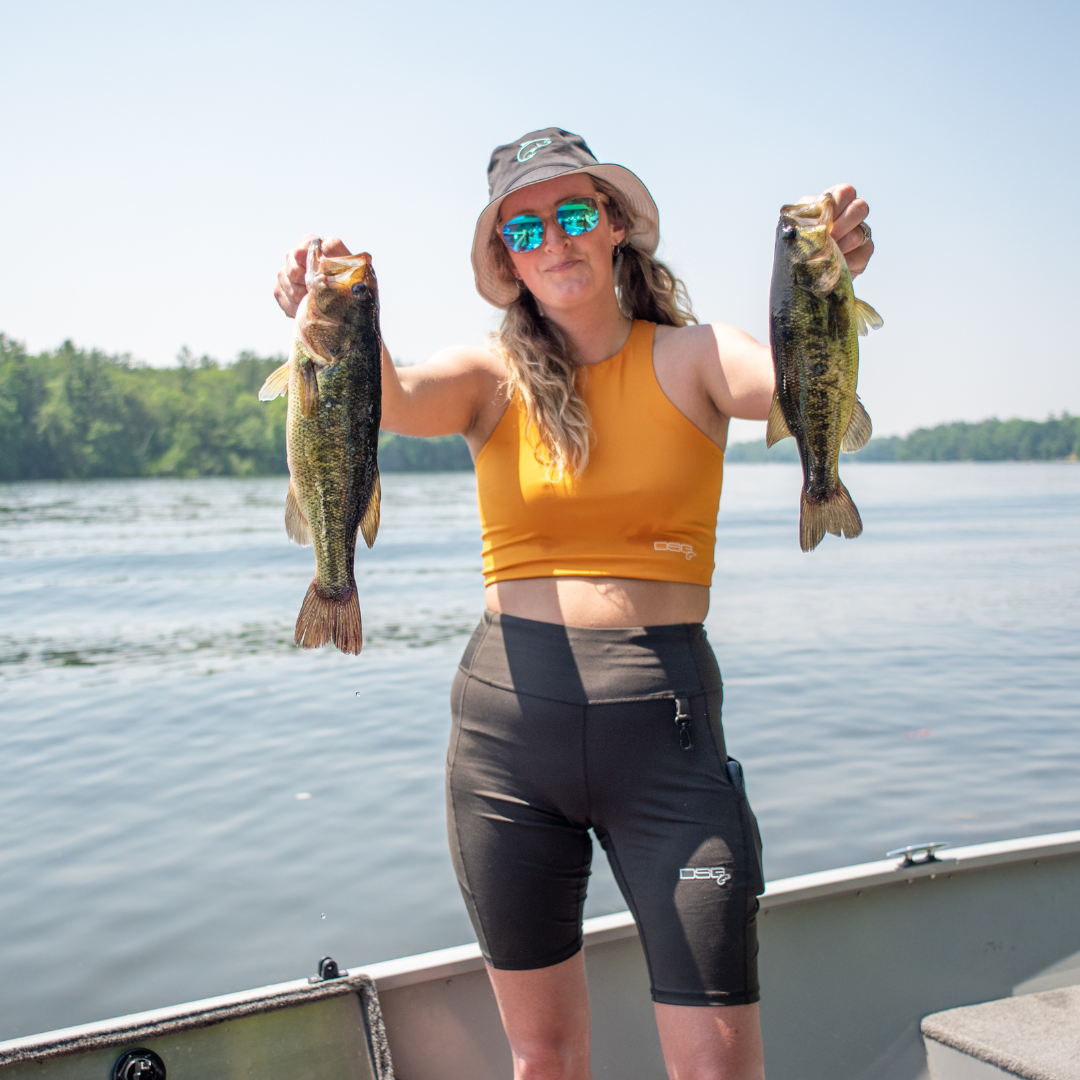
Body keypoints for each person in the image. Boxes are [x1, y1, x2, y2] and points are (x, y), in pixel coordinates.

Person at [273, 128, 874, 1080]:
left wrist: (824, 289)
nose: (552, 239)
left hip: (667, 740)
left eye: (574, 213)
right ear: (507, 260)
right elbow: (391, 397)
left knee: (717, 1068)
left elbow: (794, 390)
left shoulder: (698, 354)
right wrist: (326, 311)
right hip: (507, 740)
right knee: (544, 1060)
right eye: (523, 229)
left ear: (617, 226)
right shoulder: (487, 378)